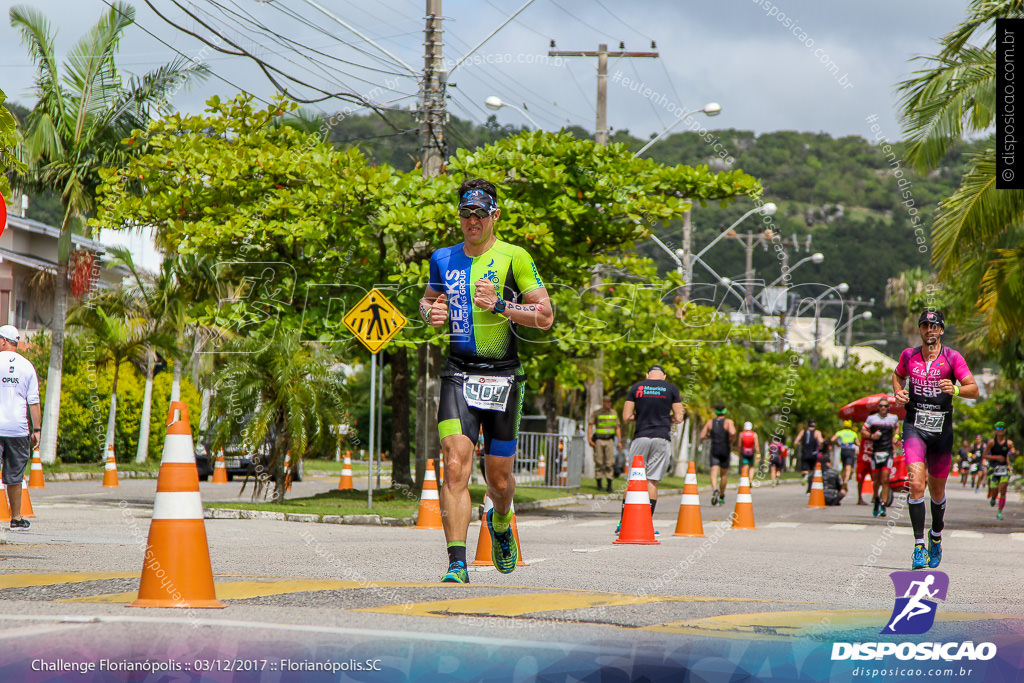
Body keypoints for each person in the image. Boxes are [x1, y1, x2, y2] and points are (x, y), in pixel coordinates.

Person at [420, 178, 553, 584]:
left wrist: (499, 304)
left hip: (504, 379)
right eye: (465, 212)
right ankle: (457, 563)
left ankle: (500, 519)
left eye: (480, 213)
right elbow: (428, 300)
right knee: (455, 464)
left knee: (498, 479)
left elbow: (545, 317)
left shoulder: (515, 257)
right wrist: (431, 314)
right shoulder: (442, 258)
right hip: (458, 374)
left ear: (495, 215)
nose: (472, 220)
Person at [893, 310, 978, 570]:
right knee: (916, 484)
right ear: (920, 330)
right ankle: (919, 546)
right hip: (914, 426)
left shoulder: (952, 357)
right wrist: (898, 392)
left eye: (934, 326)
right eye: (924, 325)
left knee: (937, 491)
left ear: (941, 330)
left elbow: (973, 389)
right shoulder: (909, 356)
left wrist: (954, 389)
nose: (929, 330)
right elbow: (898, 375)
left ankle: (936, 537)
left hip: (942, 430)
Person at [619, 365, 683, 531]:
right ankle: (646, 523)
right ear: (664, 376)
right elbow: (679, 417)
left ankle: (622, 523)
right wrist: (666, 419)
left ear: (647, 375)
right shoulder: (671, 389)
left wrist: (641, 419)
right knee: (652, 481)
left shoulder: (636, 388)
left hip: (640, 437)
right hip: (661, 437)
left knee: (633, 480)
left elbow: (626, 416)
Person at [0, 325, 41, 530]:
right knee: (15, 475)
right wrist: (37, 430)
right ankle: (16, 518)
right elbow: (33, 401)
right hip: (18, 429)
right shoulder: (27, 366)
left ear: (3, 341)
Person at [862, 397, 900, 518]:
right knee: (876, 481)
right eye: (880, 406)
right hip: (875, 452)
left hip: (887, 451)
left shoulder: (893, 418)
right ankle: (876, 499)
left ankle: (883, 504)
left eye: (885, 406)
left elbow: (897, 428)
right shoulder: (872, 419)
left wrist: (896, 436)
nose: (883, 408)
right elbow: (863, 431)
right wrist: (871, 436)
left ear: (889, 407)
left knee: (885, 480)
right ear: (878, 407)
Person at [700, 403, 735, 506]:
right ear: (724, 411)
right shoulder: (728, 422)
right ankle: (722, 496)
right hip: (725, 448)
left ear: (715, 412)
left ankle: (715, 488)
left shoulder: (710, 422)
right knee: (723, 475)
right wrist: (731, 438)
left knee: (713, 471)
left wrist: (710, 436)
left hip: (714, 448)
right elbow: (732, 432)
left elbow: (702, 435)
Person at [983, 422, 1017, 520]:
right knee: (995, 491)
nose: (1000, 430)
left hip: (1004, 468)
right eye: (998, 428)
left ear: (1005, 430)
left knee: (1003, 488)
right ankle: (993, 497)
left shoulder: (1009, 443)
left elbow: (1012, 452)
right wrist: (996, 457)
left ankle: (999, 512)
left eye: (1002, 428)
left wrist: (1013, 453)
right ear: (995, 430)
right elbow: (984, 455)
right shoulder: (991, 442)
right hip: (994, 468)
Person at [588, 395, 621, 493]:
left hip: (610, 440)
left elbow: (618, 427)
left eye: (610, 402)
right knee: (599, 461)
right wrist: (589, 439)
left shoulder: (614, 413)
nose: (609, 404)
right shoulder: (597, 413)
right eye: (607, 402)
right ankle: (599, 484)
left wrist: (619, 441)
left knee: (609, 462)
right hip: (599, 440)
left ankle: (609, 485)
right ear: (603, 402)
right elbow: (590, 426)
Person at [794, 420, 823, 485]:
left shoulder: (803, 431)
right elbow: (820, 441)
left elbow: (796, 441)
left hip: (804, 453)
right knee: (812, 469)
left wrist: (801, 443)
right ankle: (810, 483)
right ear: (814, 425)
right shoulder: (817, 432)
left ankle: (805, 477)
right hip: (813, 453)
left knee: (805, 468)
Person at [832, 420, 860, 488]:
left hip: (843, 450)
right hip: (850, 450)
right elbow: (858, 443)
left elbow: (832, 439)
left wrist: (837, 444)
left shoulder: (841, 432)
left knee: (844, 466)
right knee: (849, 467)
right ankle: (845, 481)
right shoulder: (853, 433)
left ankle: (843, 479)